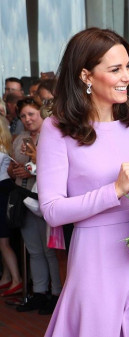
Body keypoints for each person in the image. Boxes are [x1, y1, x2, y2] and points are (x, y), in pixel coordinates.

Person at [36, 27, 129, 336]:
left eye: (128, 67)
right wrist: (113, 190)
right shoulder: (56, 128)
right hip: (94, 263)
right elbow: (53, 210)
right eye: (115, 69)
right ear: (86, 75)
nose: (127, 76)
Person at [8, 98, 62, 314]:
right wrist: (15, 171)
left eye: (31, 114)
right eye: (23, 116)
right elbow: (11, 168)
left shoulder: (52, 136)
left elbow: (53, 166)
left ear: (41, 114)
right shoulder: (19, 138)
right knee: (34, 250)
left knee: (50, 251)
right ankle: (39, 293)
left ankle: (55, 293)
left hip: (45, 199)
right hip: (24, 198)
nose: (27, 119)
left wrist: (32, 168)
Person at [0, 117, 22, 298]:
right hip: (4, 196)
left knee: (4, 242)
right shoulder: (5, 152)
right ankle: (8, 277)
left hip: (3, 199)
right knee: (2, 242)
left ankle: (16, 279)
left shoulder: (2, 154)